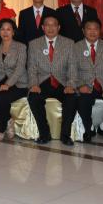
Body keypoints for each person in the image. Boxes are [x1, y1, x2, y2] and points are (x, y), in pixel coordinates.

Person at [27, 14, 77, 146]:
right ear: (42, 27)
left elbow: (72, 67)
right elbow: (31, 68)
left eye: (53, 25)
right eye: (47, 25)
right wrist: (34, 84)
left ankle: (65, 135)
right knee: (33, 97)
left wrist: (70, 85)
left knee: (72, 98)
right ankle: (44, 134)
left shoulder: (69, 43)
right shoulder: (34, 44)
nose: (50, 28)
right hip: (42, 81)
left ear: (58, 27)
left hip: (62, 82)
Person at [0, 18, 27, 141]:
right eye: (2, 29)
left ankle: (1, 128)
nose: (5, 32)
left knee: (2, 97)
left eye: (8, 29)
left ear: (13, 32)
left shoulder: (21, 47)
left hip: (18, 83)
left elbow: (20, 68)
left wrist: (8, 84)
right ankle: (8, 120)